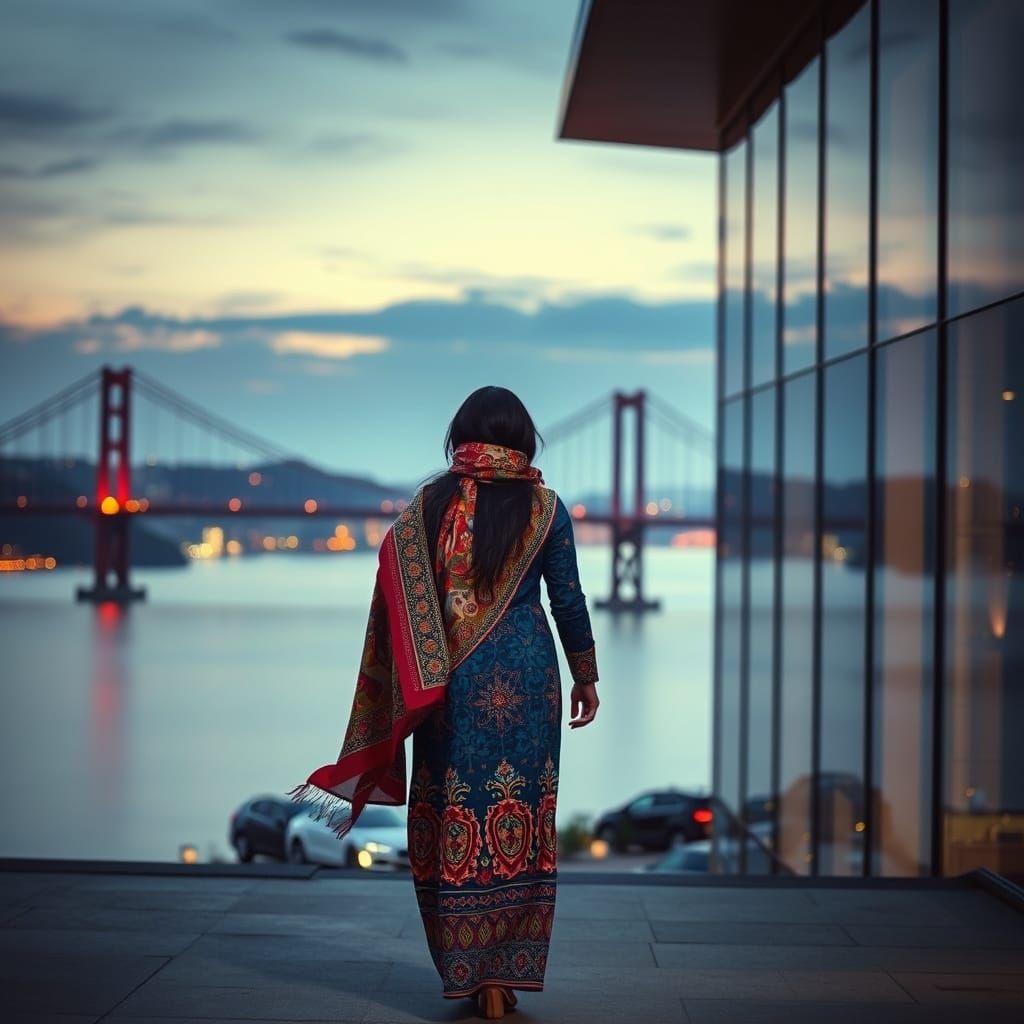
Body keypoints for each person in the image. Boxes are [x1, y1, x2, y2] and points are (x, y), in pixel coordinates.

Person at [290, 386, 599, 1020]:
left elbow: (395, 594)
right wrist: (585, 674)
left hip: (449, 684)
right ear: (524, 437)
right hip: (530, 676)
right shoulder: (546, 507)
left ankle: (469, 970)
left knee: (451, 812)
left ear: (458, 433)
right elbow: (567, 598)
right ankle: (503, 972)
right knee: (524, 814)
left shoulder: (426, 507)